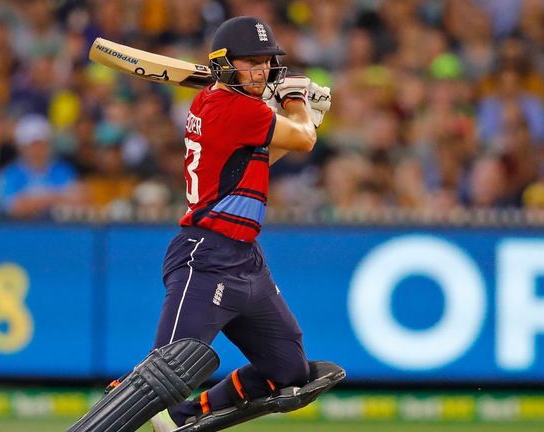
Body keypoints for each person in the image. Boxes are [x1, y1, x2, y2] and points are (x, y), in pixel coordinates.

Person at [67, 16, 341, 432]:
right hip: (206, 255)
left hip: (247, 261)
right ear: (225, 63)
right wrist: (299, 102)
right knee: (163, 375)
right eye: (250, 62)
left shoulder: (226, 107)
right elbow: (303, 140)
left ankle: (185, 416)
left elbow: (259, 162)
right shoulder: (230, 107)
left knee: (287, 372)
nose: (262, 71)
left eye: (266, 63)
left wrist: (303, 116)